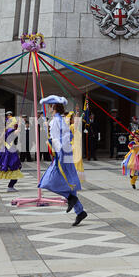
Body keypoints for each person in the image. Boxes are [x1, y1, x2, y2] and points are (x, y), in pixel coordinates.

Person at [38, 95, 87, 226]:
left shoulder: (56, 121)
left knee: (48, 181)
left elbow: (62, 138)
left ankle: (72, 199)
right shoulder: (59, 120)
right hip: (64, 152)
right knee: (68, 181)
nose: (48, 109)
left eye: (49, 106)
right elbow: (67, 135)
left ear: (53, 107)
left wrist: (58, 150)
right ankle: (80, 211)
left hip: (62, 153)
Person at [66, 111, 85, 181]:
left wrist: (79, 114)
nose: (75, 119)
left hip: (76, 146)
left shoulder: (73, 126)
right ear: (71, 120)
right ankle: (74, 178)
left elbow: (78, 122)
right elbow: (77, 123)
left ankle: (75, 178)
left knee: (78, 162)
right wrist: (77, 113)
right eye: (73, 118)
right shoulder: (72, 126)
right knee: (76, 162)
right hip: (75, 146)